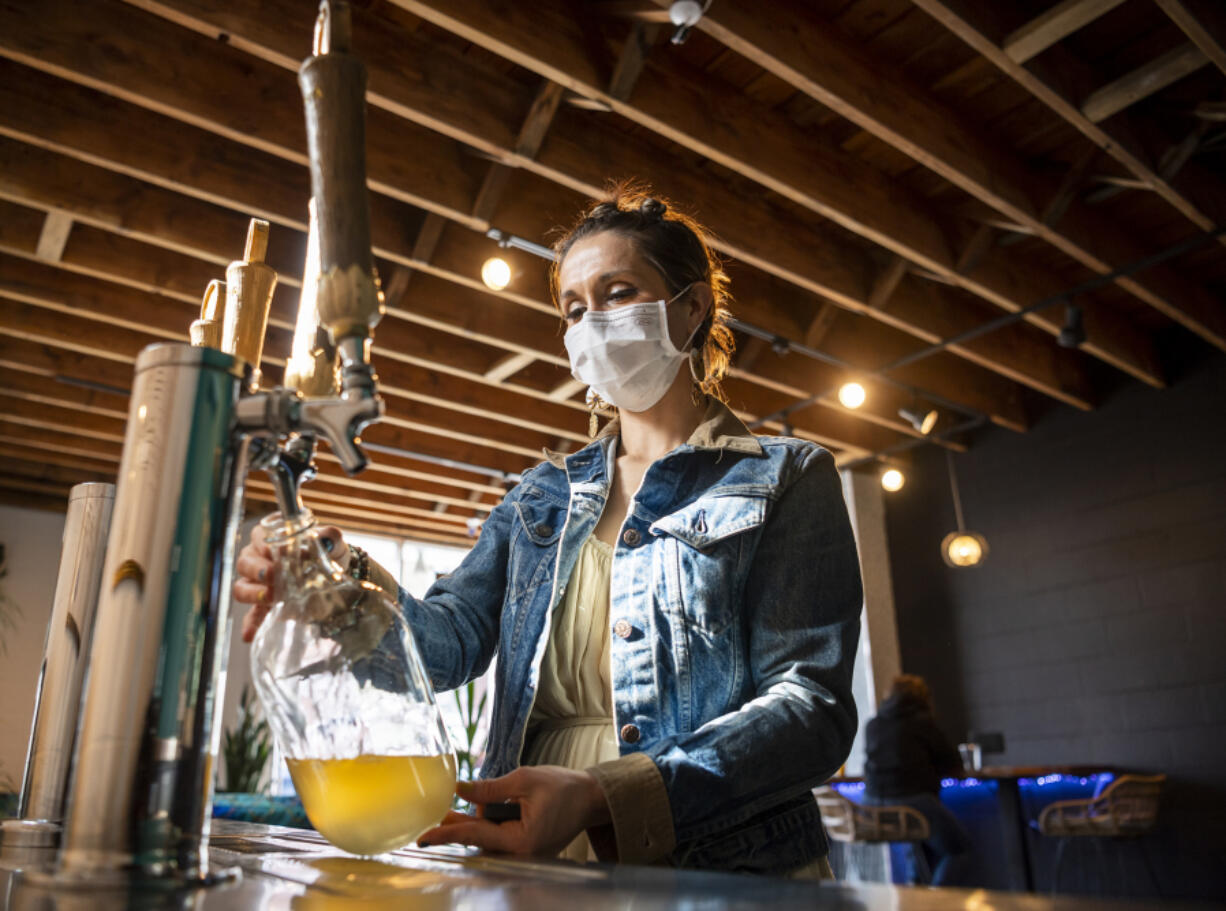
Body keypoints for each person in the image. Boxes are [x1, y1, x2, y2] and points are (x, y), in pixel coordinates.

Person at [234, 187, 864, 877]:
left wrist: (606, 793)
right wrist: (340, 581)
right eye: (573, 308)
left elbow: (811, 707)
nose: (591, 321)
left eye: (617, 292)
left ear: (691, 307)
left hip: (715, 862)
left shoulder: (785, 477)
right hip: (532, 853)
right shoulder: (544, 495)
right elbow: (448, 643)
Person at [863, 674, 970, 885]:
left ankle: (916, 894)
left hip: (871, 806)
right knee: (959, 850)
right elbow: (953, 764)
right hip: (913, 802)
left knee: (916, 841)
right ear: (922, 697)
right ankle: (934, 903)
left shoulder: (873, 725)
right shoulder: (922, 724)